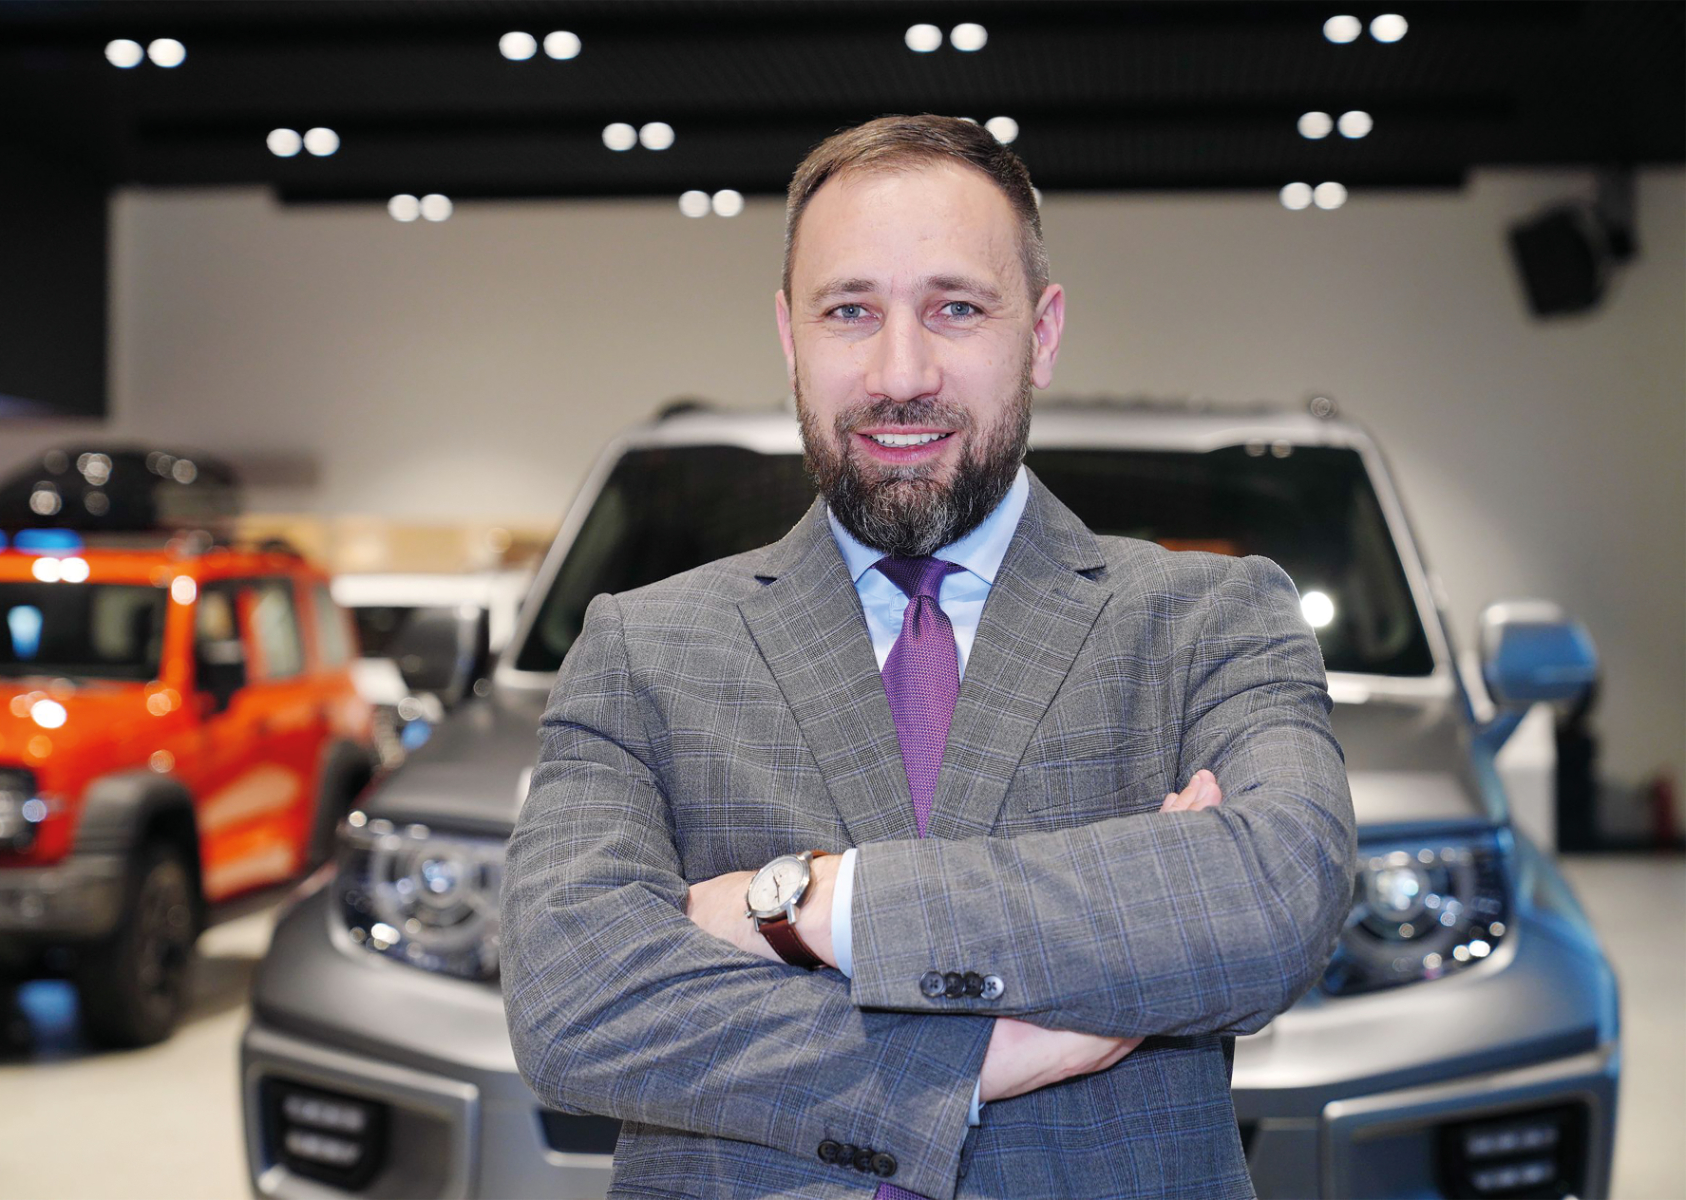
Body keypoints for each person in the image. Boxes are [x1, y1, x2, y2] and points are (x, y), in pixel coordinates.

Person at [502, 114, 1355, 1200]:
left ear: (1043, 333)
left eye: (956, 307)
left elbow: (1274, 897)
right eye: (850, 310)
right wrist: (970, 1061)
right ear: (791, 336)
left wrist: (808, 904)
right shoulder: (643, 647)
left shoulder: (1210, 620)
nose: (900, 372)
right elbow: (572, 998)